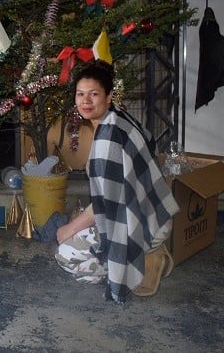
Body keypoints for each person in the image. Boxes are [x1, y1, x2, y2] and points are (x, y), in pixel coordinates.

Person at [55, 60, 179, 303]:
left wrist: (68, 229)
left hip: (143, 225)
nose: (85, 101)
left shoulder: (106, 141)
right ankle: (151, 248)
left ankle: (143, 258)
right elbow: (151, 142)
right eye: (80, 94)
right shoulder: (122, 117)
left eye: (94, 94)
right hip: (159, 214)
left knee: (65, 254)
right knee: (82, 227)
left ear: (109, 96)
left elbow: (106, 206)